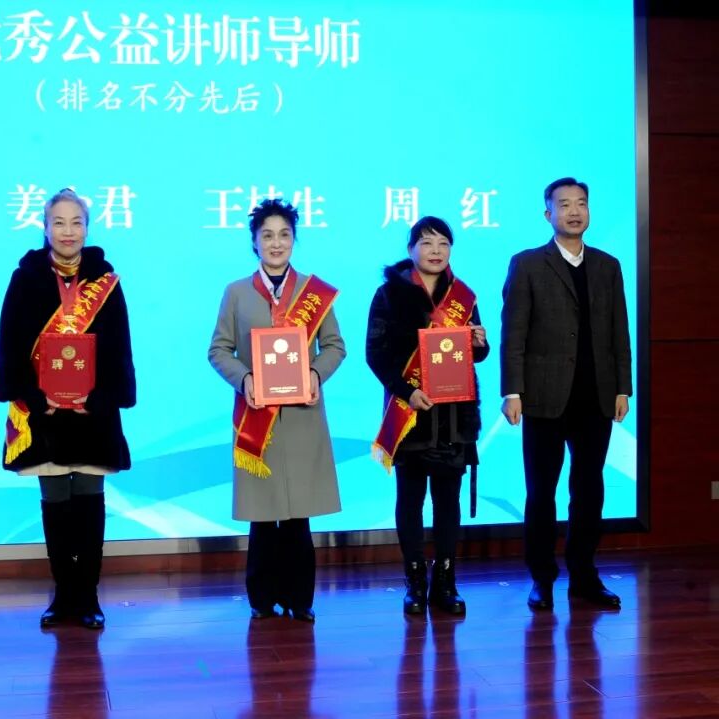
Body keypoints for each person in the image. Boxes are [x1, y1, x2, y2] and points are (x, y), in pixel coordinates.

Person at [0, 188, 136, 630]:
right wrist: (38, 398)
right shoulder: (26, 279)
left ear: (87, 228)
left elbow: (119, 348)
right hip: (44, 416)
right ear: (45, 227)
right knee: (55, 504)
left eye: (76, 222)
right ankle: (63, 595)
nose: (68, 231)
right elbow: (10, 346)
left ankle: (88, 596)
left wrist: (100, 397)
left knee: (90, 504)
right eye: (59, 222)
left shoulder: (106, 281)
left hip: (94, 415)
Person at [208, 198, 346, 623]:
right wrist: (245, 378)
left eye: (284, 234)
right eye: (267, 235)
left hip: (303, 416)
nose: (276, 243)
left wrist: (316, 374)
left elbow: (335, 346)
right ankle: (262, 599)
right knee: (263, 516)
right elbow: (219, 349)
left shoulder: (314, 292)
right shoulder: (236, 292)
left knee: (298, 516)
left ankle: (300, 599)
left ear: (294, 240)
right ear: (254, 242)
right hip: (257, 418)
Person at [501, 177, 632, 611]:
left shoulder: (608, 265)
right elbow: (513, 333)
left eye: (581, 203)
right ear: (548, 214)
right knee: (541, 492)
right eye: (564, 204)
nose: (574, 211)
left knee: (589, 489)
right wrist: (512, 390)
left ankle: (584, 576)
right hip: (543, 396)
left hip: (597, 396)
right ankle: (542, 578)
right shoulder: (527, 264)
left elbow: (619, 331)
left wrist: (623, 387)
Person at [366, 216, 489, 616]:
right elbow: (376, 354)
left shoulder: (463, 296)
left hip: (455, 415)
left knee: (448, 501)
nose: (436, 251)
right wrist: (408, 391)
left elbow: (476, 353)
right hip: (411, 413)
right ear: (411, 249)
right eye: (427, 242)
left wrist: (480, 343)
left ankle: (446, 582)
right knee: (410, 499)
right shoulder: (389, 294)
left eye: (443, 243)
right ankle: (415, 581)